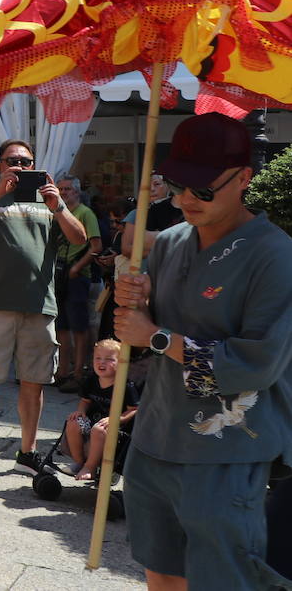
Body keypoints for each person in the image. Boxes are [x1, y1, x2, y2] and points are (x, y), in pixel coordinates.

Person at [113, 113, 292, 591]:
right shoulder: (169, 243)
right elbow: (147, 326)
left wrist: (153, 335)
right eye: (178, 185)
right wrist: (138, 299)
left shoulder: (276, 256)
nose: (186, 199)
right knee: (161, 574)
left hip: (226, 451)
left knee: (224, 580)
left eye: (203, 189)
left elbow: (255, 365)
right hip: (155, 440)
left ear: (244, 179)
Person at [0, 139, 86, 478]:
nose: (20, 166)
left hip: (39, 305)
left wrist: (57, 205)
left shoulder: (49, 201)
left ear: (35, 166)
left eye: (26, 162)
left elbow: (79, 238)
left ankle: (27, 451)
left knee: (34, 383)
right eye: (12, 160)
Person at [53, 174, 102, 393]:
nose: (63, 193)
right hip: (60, 274)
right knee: (61, 326)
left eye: (67, 189)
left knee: (79, 328)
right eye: (60, 189)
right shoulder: (59, 212)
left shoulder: (85, 213)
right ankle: (62, 371)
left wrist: (77, 267)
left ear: (76, 191)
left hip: (77, 277)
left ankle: (79, 373)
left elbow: (96, 246)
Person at [62, 339, 137, 481]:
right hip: (91, 422)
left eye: (109, 359)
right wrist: (81, 412)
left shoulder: (125, 385)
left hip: (115, 429)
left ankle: (90, 466)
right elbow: (85, 401)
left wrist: (117, 419)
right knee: (73, 422)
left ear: (121, 362)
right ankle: (79, 462)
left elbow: (133, 409)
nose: (101, 362)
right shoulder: (92, 380)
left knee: (99, 429)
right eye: (98, 358)